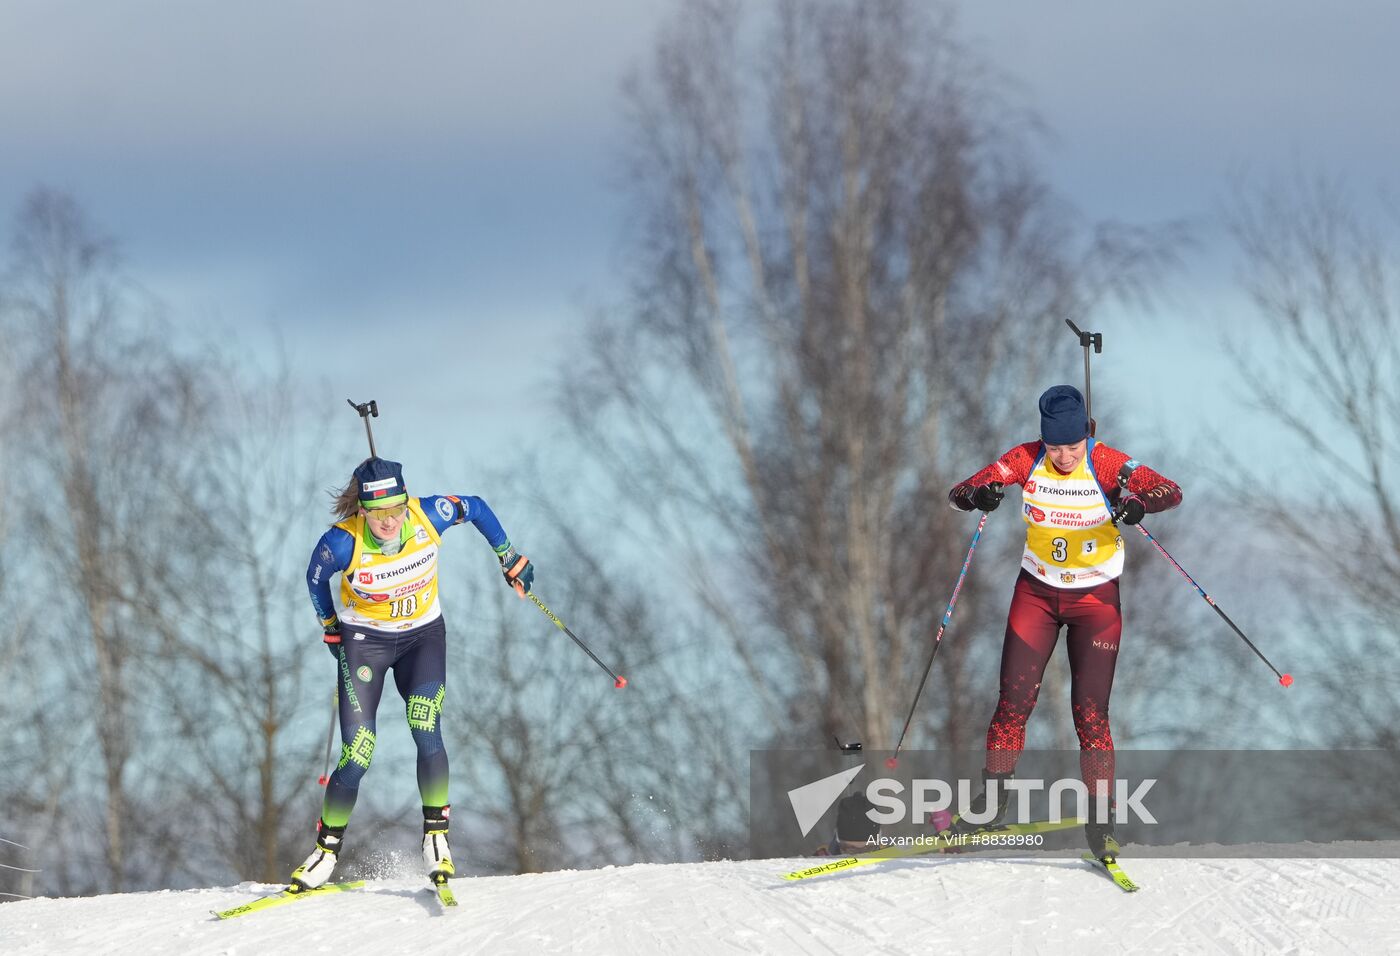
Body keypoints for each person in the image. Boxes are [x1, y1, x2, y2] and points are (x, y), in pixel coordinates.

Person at [946, 385, 1181, 860]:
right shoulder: (1024, 459)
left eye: (1072, 447)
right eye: (1056, 448)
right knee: (1012, 703)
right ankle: (991, 804)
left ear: (1085, 438)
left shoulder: (1107, 462)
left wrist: (1138, 506)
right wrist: (980, 497)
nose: (1065, 456)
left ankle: (1101, 822)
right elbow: (959, 493)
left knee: (1090, 715)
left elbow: (1168, 491)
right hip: (1036, 594)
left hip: (1095, 602)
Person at [290, 457, 535, 890]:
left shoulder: (428, 515)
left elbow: (475, 506)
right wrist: (329, 624)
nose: (390, 522)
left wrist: (508, 556)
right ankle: (325, 852)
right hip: (366, 642)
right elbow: (315, 578)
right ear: (362, 510)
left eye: (396, 510)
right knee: (359, 751)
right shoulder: (341, 543)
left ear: (406, 502)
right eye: (379, 513)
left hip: (423, 638)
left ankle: (436, 837)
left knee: (425, 724)